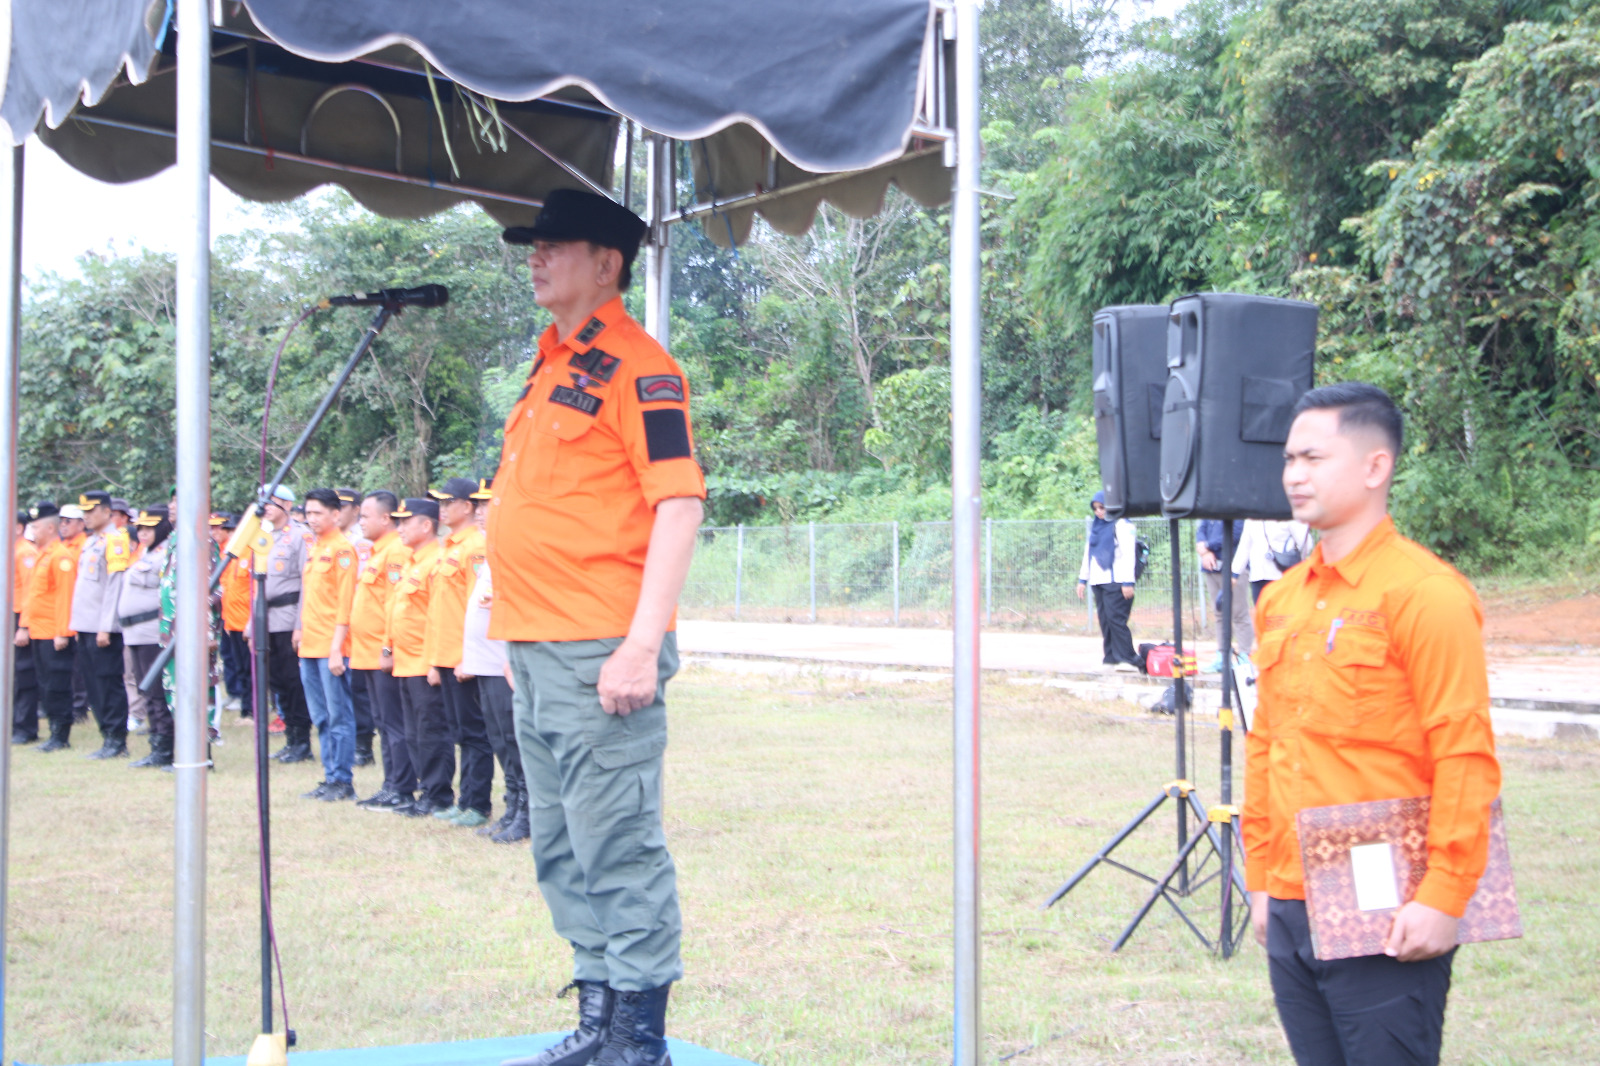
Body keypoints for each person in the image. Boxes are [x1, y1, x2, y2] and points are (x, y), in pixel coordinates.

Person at [492, 188, 706, 1066]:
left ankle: (638, 1039)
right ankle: (598, 1018)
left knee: (616, 842)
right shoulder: (549, 366)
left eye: (555, 244)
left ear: (607, 262)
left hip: (599, 650)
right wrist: (518, 642)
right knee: (561, 845)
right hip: (537, 648)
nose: (536, 257)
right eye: (533, 245)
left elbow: (679, 504)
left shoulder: (639, 367)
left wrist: (640, 646)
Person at [1245, 383, 1501, 1066]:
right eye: (1289, 459)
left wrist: (1445, 895)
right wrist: (1263, 875)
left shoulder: (1425, 594)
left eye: (1312, 458)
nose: (1293, 475)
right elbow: (1268, 743)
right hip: (1295, 893)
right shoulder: (1282, 601)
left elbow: (1464, 753)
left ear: (1374, 466)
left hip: (1388, 898)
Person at [460, 478, 528, 844]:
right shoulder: (491, 550)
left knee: (515, 741)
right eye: (480, 505)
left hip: (505, 663)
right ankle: (513, 807)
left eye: (490, 504)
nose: (482, 512)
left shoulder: (515, 547)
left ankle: (528, 813)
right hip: (485, 664)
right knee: (500, 741)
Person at [423, 476, 493, 829]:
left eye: (448, 502)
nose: (442, 508)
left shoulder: (475, 547)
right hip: (446, 655)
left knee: (474, 732)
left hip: (465, 657)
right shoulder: (448, 546)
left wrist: (469, 655)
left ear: (467, 506)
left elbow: (476, 604)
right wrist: (435, 659)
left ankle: (478, 802)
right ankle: (465, 800)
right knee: (459, 731)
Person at [383, 498, 453, 818]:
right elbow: (397, 612)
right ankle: (425, 790)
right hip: (404, 663)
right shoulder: (412, 561)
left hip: (425, 663)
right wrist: (388, 649)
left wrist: (435, 662)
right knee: (414, 733)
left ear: (426, 526)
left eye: (405, 521)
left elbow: (439, 617)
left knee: (431, 731)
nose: (399, 528)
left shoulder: (434, 562)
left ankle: (439, 794)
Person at [349, 489, 416, 812]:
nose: (360, 521)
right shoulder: (377, 552)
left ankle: (402, 787)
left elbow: (395, 605)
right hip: (366, 652)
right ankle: (390, 784)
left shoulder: (396, 553)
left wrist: (387, 647)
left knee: (394, 723)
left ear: (385, 518)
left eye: (364, 516)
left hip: (383, 653)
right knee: (381, 721)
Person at [295, 488, 360, 802]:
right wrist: (299, 630)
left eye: (318, 513)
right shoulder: (315, 548)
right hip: (310, 645)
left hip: (331, 648)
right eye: (308, 513)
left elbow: (345, 604)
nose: (312, 519)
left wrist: (337, 647)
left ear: (336, 514)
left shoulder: (342, 550)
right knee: (320, 716)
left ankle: (342, 780)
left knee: (338, 716)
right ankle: (330, 775)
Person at [70, 490, 131, 759]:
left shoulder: (116, 540)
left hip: (102, 628)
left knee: (108, 683)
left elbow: (114, 588)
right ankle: (106, 736)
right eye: (84, 512)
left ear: (107, 512)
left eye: (91, 511)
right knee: (93, 683)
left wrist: (106, 626)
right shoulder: (90, 541)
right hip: (85, 625)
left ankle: (117, 739)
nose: (86, 516)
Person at [255, 486, 313, 763]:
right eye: (263, 502)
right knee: (276, 681)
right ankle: (290, 737)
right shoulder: (262, 536)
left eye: (273, 503)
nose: (265, 507)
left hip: (289, 616)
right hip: (266, 619)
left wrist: (301, 624)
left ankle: (301, 741)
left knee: (293, 681)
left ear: (287, 506)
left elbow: (307, 582)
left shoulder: (300, 535)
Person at [17, 501, 78, 751]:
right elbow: (33, 596)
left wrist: (62, 632)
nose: (32, 531)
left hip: (55, 633)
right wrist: (26, 625)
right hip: (38, 632)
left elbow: (66, 597)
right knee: (45, 684)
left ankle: (60, 735)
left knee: (57, 684)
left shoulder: (61, 556)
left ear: (50, 528)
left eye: (36, 527)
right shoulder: (41, 554)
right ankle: (53, 730)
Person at [122, 507, 175, 768]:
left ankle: (165, 746)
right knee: (146, 689)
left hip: (152, 631)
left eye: (148, 528)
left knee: (157, 691)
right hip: (135, 632)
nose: (142, 532)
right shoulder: (144, 552)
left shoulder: (167, 553)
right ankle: (157, 743)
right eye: (139, 528)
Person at [1076, 491, 1140, 673]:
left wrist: (1128, 582)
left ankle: (1127, 658)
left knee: (1116, 620)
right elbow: (1088, 555)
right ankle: (1111, 657)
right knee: (1105, 620)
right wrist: (1083, 579)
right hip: (1098, 581)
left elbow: (1129, 555)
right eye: (1095, 508)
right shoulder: (1097, 527)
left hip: (1117, 581)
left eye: (1102, 507)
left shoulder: (1122, 525)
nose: (1098, 512)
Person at [336, 486, 376, 764]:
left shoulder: (363, 542)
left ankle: (364, 746)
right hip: (337, 623)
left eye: (344, 506)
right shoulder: (327, 541)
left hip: (358, 623)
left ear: (355, 509)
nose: (338, 512)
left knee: (360, 688)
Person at [1197, 519, 1253, 670]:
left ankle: (1244, 657)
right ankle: (1222, 656)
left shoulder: (1237, 506)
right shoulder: (1208, 508)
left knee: (1239, 614)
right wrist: (1204, 552)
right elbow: (1201, 530)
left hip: (1235, 570)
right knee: (1220, 614)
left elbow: (1235, 534)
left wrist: (1208, 546)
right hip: (1212, 569)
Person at [214, 512, 255, 718]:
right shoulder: (228, 555)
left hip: (247, 622)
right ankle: (245, 709)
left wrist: (251, 622)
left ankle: (250, 710)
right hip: (231, 622)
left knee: (251, 670)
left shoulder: (252, 553)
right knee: (239, 667)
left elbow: (255, 590)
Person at [1233, 519, 1313, 605]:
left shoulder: (1288, 515)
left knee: (1282, 614)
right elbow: (1244, 547)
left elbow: (1306, 544)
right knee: (1262, 614)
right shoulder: (1251, 518)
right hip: (1258, 577)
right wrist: (1234, 574)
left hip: (1282, 576)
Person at [12, 509, 39, 744]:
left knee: (23, 674)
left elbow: (31, 592)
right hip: (9, 617)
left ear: (19, 528)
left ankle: (25, 728)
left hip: (21, 617)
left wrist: (24, 626)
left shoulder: (25, 552)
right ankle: (11, 724)